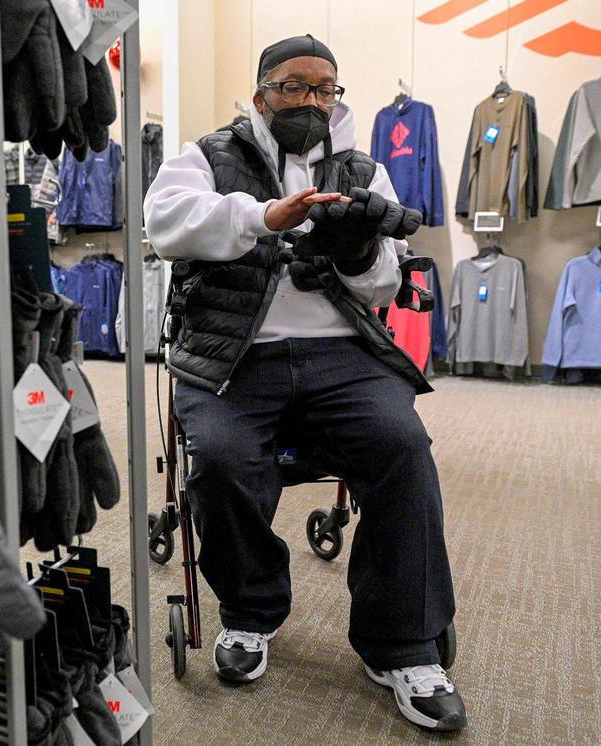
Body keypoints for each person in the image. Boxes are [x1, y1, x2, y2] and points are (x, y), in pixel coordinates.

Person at [144, 35, 466, 732]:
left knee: (403, 447)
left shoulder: (363, 169)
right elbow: (164, 223)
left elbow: (384, 282)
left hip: (341, 356)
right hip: (233, 355)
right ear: (261, 91)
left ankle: (404, 644)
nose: (313, 100)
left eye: (326, 89)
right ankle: (251, 611)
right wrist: (263, 217)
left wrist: (355, 253)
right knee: (222, 463)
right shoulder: (207, 155)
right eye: (296, 86)